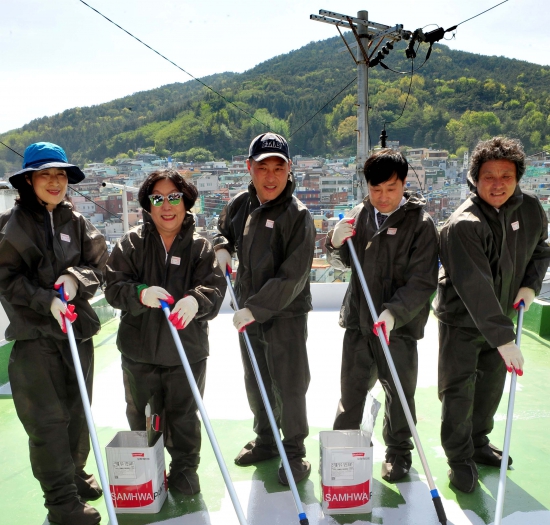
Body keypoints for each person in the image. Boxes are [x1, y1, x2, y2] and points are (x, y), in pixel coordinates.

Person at [0, 142, 108, 525]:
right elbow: (7, 279)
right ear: (28, 180)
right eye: (45, 174)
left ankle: (74, 475)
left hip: (76, 333)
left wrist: (75, 280)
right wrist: (46, 300)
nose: (54, 182)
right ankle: (61, 502)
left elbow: (99, 260)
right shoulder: (13, 225)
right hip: (36, 339)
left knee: (78, 413)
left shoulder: (75, 221)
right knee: (48, 422)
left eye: (60, 175)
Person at [434, 136, 550, 493]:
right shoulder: (463, 224)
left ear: (518, 178)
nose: (497, 184)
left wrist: (530, 286)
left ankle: (479, 442)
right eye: (488, 176)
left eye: (506, 176)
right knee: (459, 391)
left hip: (502, 317)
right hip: (463, 321)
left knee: (489, 388)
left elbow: (540, 249)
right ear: (474, 178)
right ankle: (458, 458)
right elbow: (475, 288)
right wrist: (505, 339)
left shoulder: (529, 209)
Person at [105, 169, 225, 496]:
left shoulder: (201, 248)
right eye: (158, 198)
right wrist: (139, 293)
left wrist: (196, 301)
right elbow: (113, 286)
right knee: (143, 417)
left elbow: (214, 288)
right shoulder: (130, 243)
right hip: (138, 351)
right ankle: (149, 470)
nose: (167, 205)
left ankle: (185, 470)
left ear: (186, 202)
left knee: (184, 416)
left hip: (187, 351)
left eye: (174, 196)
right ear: (148, 204)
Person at [327, 149, 439, 482]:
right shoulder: (359, 215)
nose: (383, 197)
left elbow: (423, 282)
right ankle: (342, 457)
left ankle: (398, 453)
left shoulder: (421, 225)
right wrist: (334, 244)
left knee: (400, 394)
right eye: (376, 190)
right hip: (360, 325)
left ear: (404, 183)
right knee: (351, 394)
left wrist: (393, 314)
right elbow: (341, 261)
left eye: (391, 188)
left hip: (398, 329)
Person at [213, 132, 316, 485]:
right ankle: (268, 439)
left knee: (289, 384)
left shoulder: (297, 215)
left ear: (289, 170)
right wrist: (222, 246)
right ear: (250, 168)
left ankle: (294, 451)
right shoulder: (241, 203)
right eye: (263, 168)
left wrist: (255, 308)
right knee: (257, 380)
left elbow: (294, 276)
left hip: (284, 313)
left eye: (278, 168)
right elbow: (222, 229)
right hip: (248, 311)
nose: (270, 177)